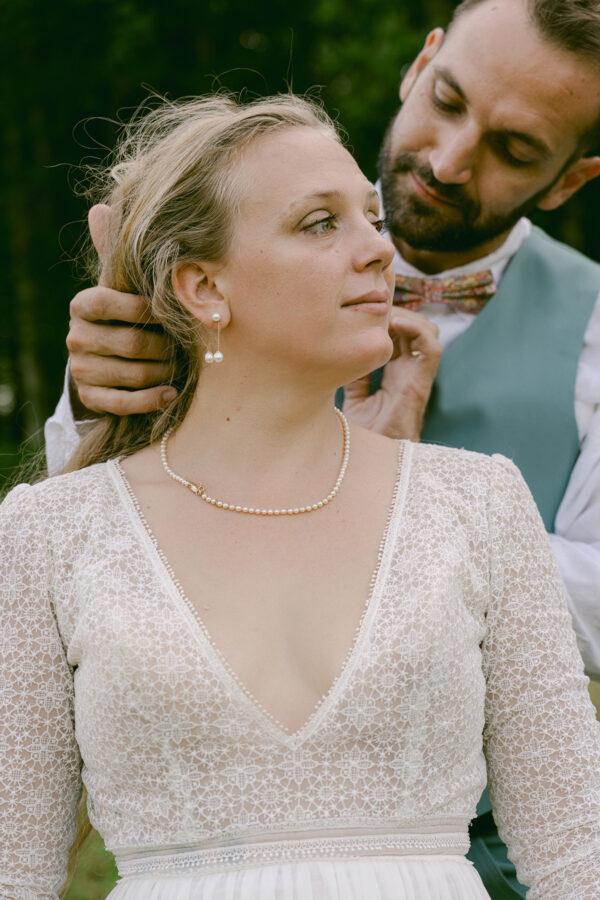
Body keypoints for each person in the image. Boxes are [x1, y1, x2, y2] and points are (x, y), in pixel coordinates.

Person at [45, 5, 600, 893]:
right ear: (421, 65)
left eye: (516, 150)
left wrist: (414, 516)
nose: (450, 161)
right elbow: (92, 567)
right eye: (449, 102)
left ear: (572, 179)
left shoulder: (584, 353)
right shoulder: (205, 276)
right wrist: (96, 404)